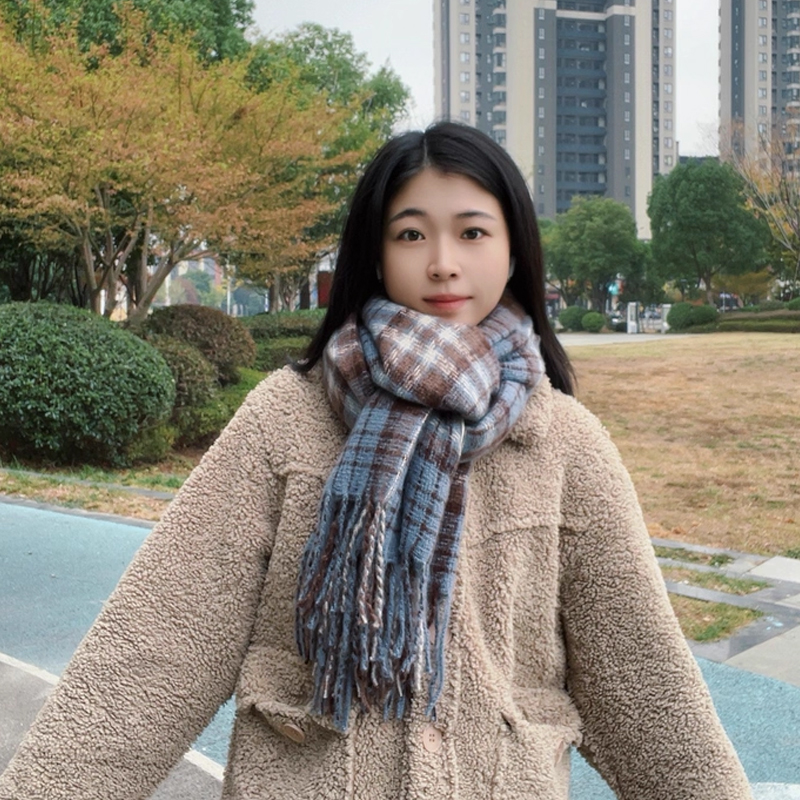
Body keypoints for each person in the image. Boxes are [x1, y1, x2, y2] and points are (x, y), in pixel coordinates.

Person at [0, 122, 752, 800]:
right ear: (376, 251)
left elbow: (647, 686)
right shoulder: (285, 419)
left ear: (514, 248)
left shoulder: (565, 444)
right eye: (412, 234)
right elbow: (158, 643)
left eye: (473, 232)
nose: (444, 264)